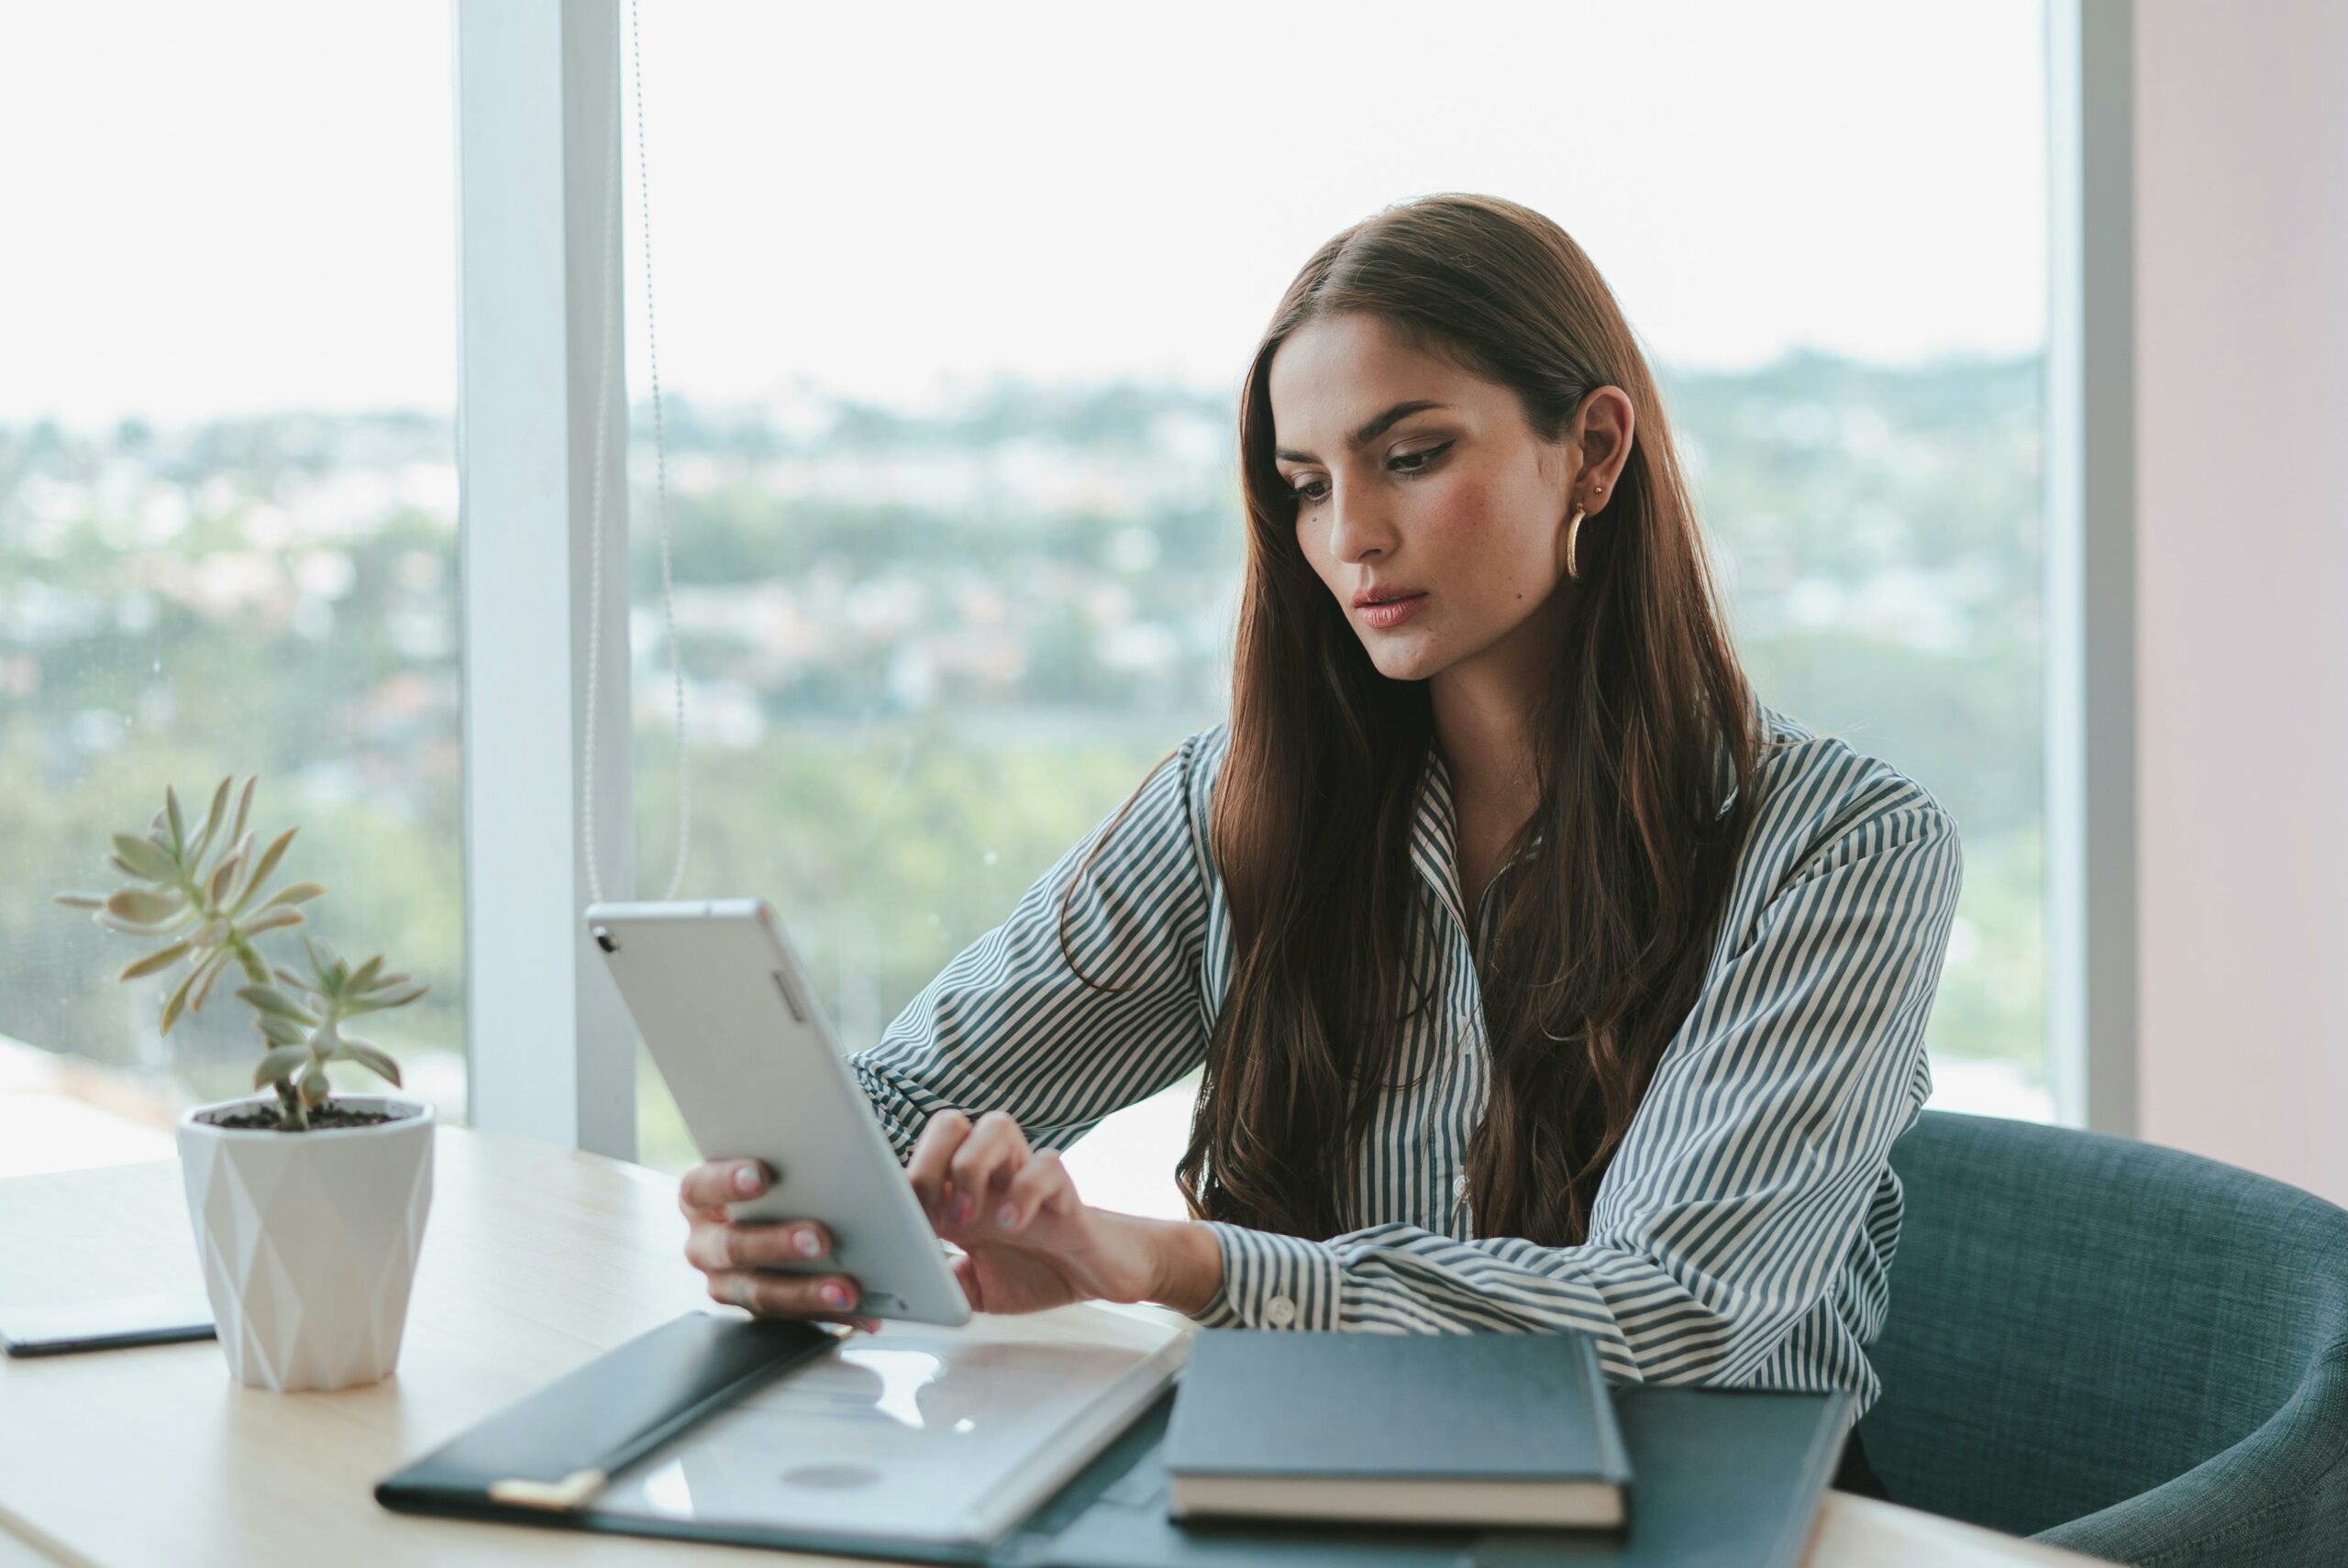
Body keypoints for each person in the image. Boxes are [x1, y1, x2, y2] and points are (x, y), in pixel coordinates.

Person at [676, 193, 1959, 1503]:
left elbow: (1675, 1312)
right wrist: (803, 1214)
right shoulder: (1239, 804)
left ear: (1592, 447)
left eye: (1410, 455)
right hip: (1308, 1488)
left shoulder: (1842, 846)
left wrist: (1180, 1263)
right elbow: (902, 1101)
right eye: (1305, 486)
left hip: (1686, 1508)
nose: (1349, 536)